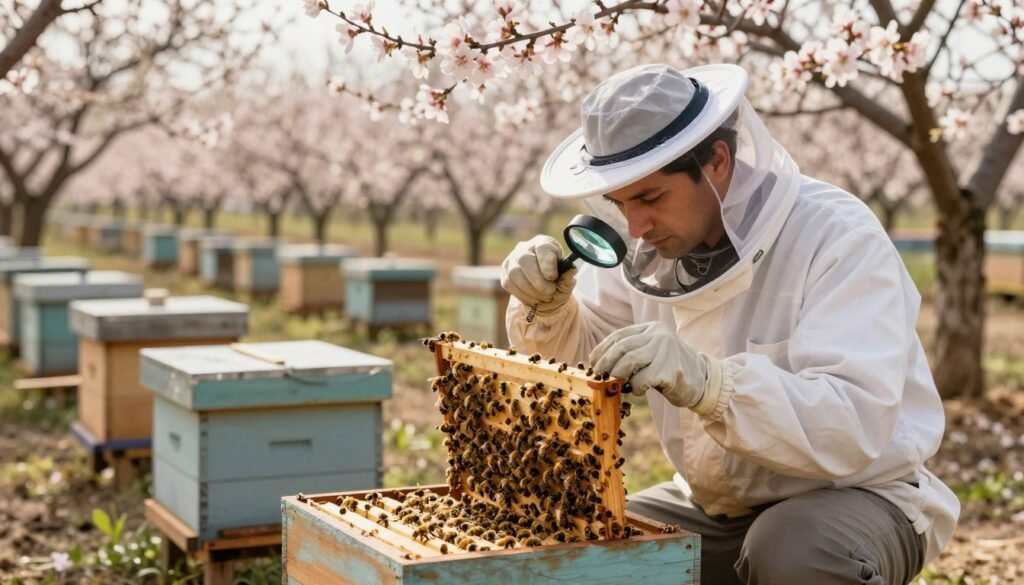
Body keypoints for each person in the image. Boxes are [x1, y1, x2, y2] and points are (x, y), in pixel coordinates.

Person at [500, 63, 959, 584]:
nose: (636, 226)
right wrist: (550, 310)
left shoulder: (836, 236)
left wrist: (711, 384)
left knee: (792, 552)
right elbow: (584, 367)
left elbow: (852, 423)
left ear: (717, 161)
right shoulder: (647, 245)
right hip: (713, 504)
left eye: (650, 198)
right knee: (590, 552)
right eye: (620, 203)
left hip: (857, 495)